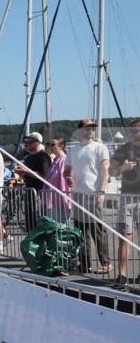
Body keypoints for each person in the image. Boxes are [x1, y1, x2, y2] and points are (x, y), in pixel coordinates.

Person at [68, 119, 111, 274]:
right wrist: (68, 177)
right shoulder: (73, 150)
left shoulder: (100, 147)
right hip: (78, 194)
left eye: (92, 128)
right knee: (80, 231)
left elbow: (105, 171)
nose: (90, 131)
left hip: (93, 193)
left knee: (97, 230)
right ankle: (84, 263)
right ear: (80, 130)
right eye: (87, 128)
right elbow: (67, 170)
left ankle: (106, 263)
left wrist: (102, 191)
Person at [110, 119, 140, 286]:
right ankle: (122, 275)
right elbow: (111, 171)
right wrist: (124, 168)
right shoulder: (123, 149)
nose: (132, 133)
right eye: (131, 130)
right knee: (124, 237)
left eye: (136, 130)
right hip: (127, 198)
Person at [15, 131, 52, 232]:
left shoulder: (44, 156)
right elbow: (26, 175)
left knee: (38, 218)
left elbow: (44, 176)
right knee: (29, 219)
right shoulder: (29, 157)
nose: (28, 144)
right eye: (27, 142)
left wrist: (26, 171)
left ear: (38, 142)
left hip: (39, 192)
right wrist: (21, 173)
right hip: (29, 191)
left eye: (31, 142)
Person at [42, 137, 72, 224]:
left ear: (61, 146)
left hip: (60, 200)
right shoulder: (55, 160)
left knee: (60, 225)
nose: (50, 147)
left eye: (53, 144)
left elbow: (64, 179)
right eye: (49, 144)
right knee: (53, 224)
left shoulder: (64, 160)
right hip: (53, 199)